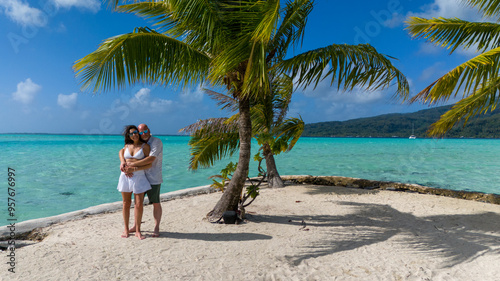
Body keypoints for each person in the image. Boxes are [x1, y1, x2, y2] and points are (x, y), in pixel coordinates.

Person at [121, 124, 163, 237]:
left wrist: (133, 166)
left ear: (149, 130)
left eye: (145, 131)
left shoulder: (155, 142)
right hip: (132, 176)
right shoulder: (129, 145)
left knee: (155, 202)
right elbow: (122, 150)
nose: (142, 133)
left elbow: (151, 159)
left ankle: (156, 227)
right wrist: (123, 163)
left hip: (152, 176)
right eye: (140, 132)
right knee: (133, 204)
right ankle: (134, 226)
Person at [117, 125, 152, 240]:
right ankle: (126, 229)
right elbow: (121, 152)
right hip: (125, 177)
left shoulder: (145, 146)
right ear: (128, 136)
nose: (134, 135)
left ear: (139, 133)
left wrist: (134, 169)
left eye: (136, 132)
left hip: (139, 177)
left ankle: (138, 230)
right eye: (131, 133)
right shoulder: (126, 146)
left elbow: (149, 164)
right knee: (126, 203)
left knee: (138, 204)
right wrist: (122, 163)